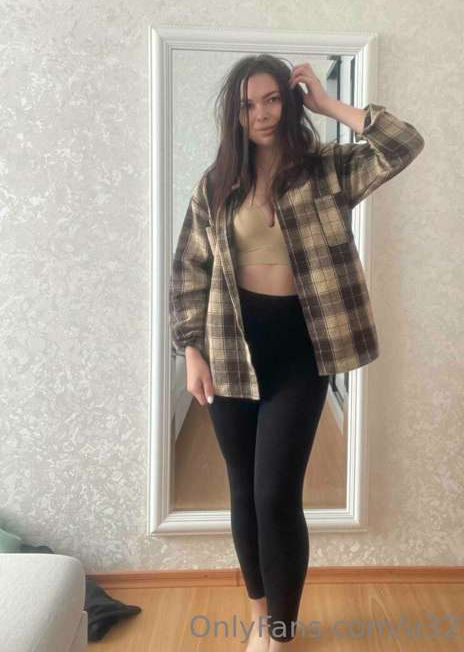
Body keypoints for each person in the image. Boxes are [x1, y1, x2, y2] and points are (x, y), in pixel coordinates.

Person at [169, 54, 425, 649]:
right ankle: (260, 616)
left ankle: (281, 632)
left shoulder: (327, 170)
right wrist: (190, 350)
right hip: (230, 347)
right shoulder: (216, 184)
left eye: (271, 99)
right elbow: (189, 270)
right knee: (243, 489)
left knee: (276, 493)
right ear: (234, 114)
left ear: (288, 102)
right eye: (247, 104)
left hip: (303, 349)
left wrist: (329, 105)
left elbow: (403, 144)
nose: (260, 114)